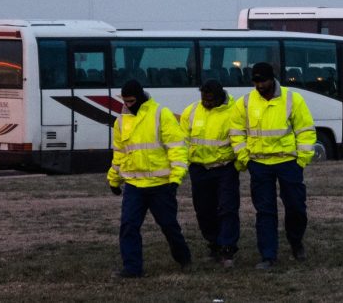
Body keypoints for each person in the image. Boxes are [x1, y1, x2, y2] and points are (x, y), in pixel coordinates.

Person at [229, 62, 316, 269]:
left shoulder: (293, 99)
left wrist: (301, 160)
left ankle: (296, 242)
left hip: (288, 163)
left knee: (296, 207)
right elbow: (236, 132)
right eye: (256, 81)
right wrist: (245, 159)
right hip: (259, 164)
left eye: (263, 81)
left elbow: (305, 130)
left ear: (272, 78)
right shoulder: (245, 103)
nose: (259, 85)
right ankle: (268, 256)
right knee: (265, 212)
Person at [107, 79, 192, 278]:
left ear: (141, 97)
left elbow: (177, 148)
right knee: (128, 226)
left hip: (161, 185)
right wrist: (113, 179)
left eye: (131, 101)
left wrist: (176, 178)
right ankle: (132, 268)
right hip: (134, 185)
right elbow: (119, 153)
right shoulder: (120, 121)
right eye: (125, 101)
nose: (128, 105)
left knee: (169, 225)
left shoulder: (161, 114)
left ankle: (183, 258)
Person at [180, 79, 239, 268]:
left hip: (225, 168)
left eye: (210, 100)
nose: (206, 103)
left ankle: (227, 247)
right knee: (204, 210)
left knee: (227, 208)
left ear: (220, 96)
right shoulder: (191, 111)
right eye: (204, 99)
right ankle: (214, 243)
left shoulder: (234, 112)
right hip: (199, 169)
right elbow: (183, 140)